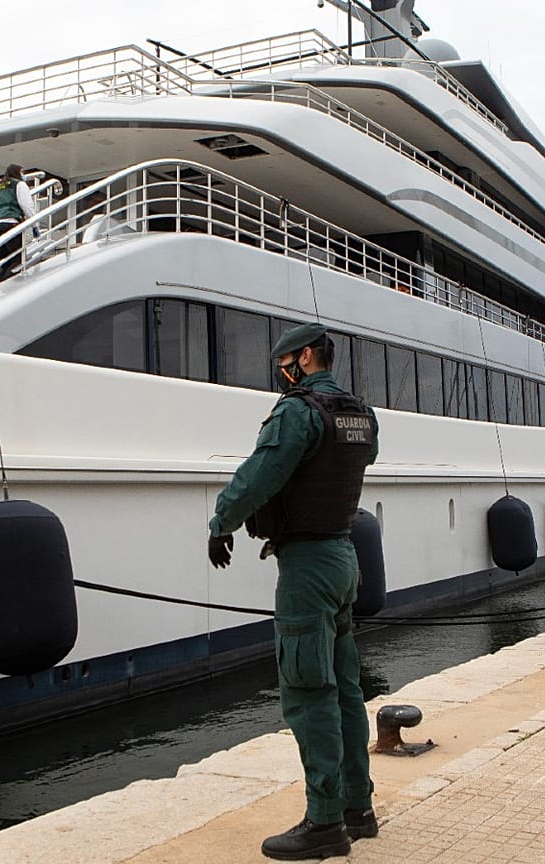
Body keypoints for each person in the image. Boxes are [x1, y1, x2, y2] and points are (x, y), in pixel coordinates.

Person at [207, 322, 379, 861]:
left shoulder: (297, 412)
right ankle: (359, 808)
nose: (281, 374)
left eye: (285, 363)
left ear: (306, 357)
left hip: (306, 565)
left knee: (309, 692)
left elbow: (260, 476)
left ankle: (325, 823)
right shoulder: (361, 415)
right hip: (345, 555)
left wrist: (221, 522)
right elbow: (353, 465)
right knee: (347, 689)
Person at [0, 164, 38, 283]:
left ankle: (2, 283)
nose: (24, 176)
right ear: (17, 173)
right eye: (23, 173)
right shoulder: (19, 185)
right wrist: (35, 226)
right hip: (9, 226)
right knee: (17, 260)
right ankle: (11, 286)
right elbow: (27, 206)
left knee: (6, 261)